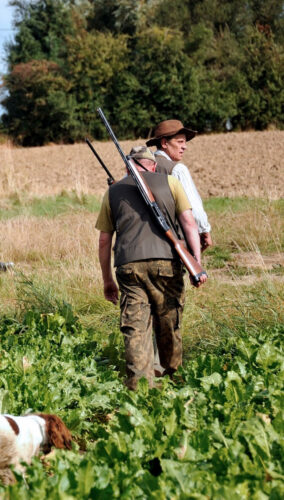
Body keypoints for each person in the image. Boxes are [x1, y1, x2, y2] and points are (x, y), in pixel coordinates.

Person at [96, 145, 206, 390]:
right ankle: (172, 376)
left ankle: (139, 387)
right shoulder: (171, 182)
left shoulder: (113, 192)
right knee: (169, 321)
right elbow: (189, 223)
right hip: (167, 263)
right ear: (153, 166)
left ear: (127, 168)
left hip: (129, 267)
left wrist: (107, 280)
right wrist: (195, 264)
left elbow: (104, 240)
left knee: (135, 327)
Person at [147, 119, 213, 251]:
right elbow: (193, 207)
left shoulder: (139, 167)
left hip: (141, 242)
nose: (185, 146)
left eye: (185, 142)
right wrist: (204, 230)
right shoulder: (177, 169)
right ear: (164, 143)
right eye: (180, 142)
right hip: (174, 241)